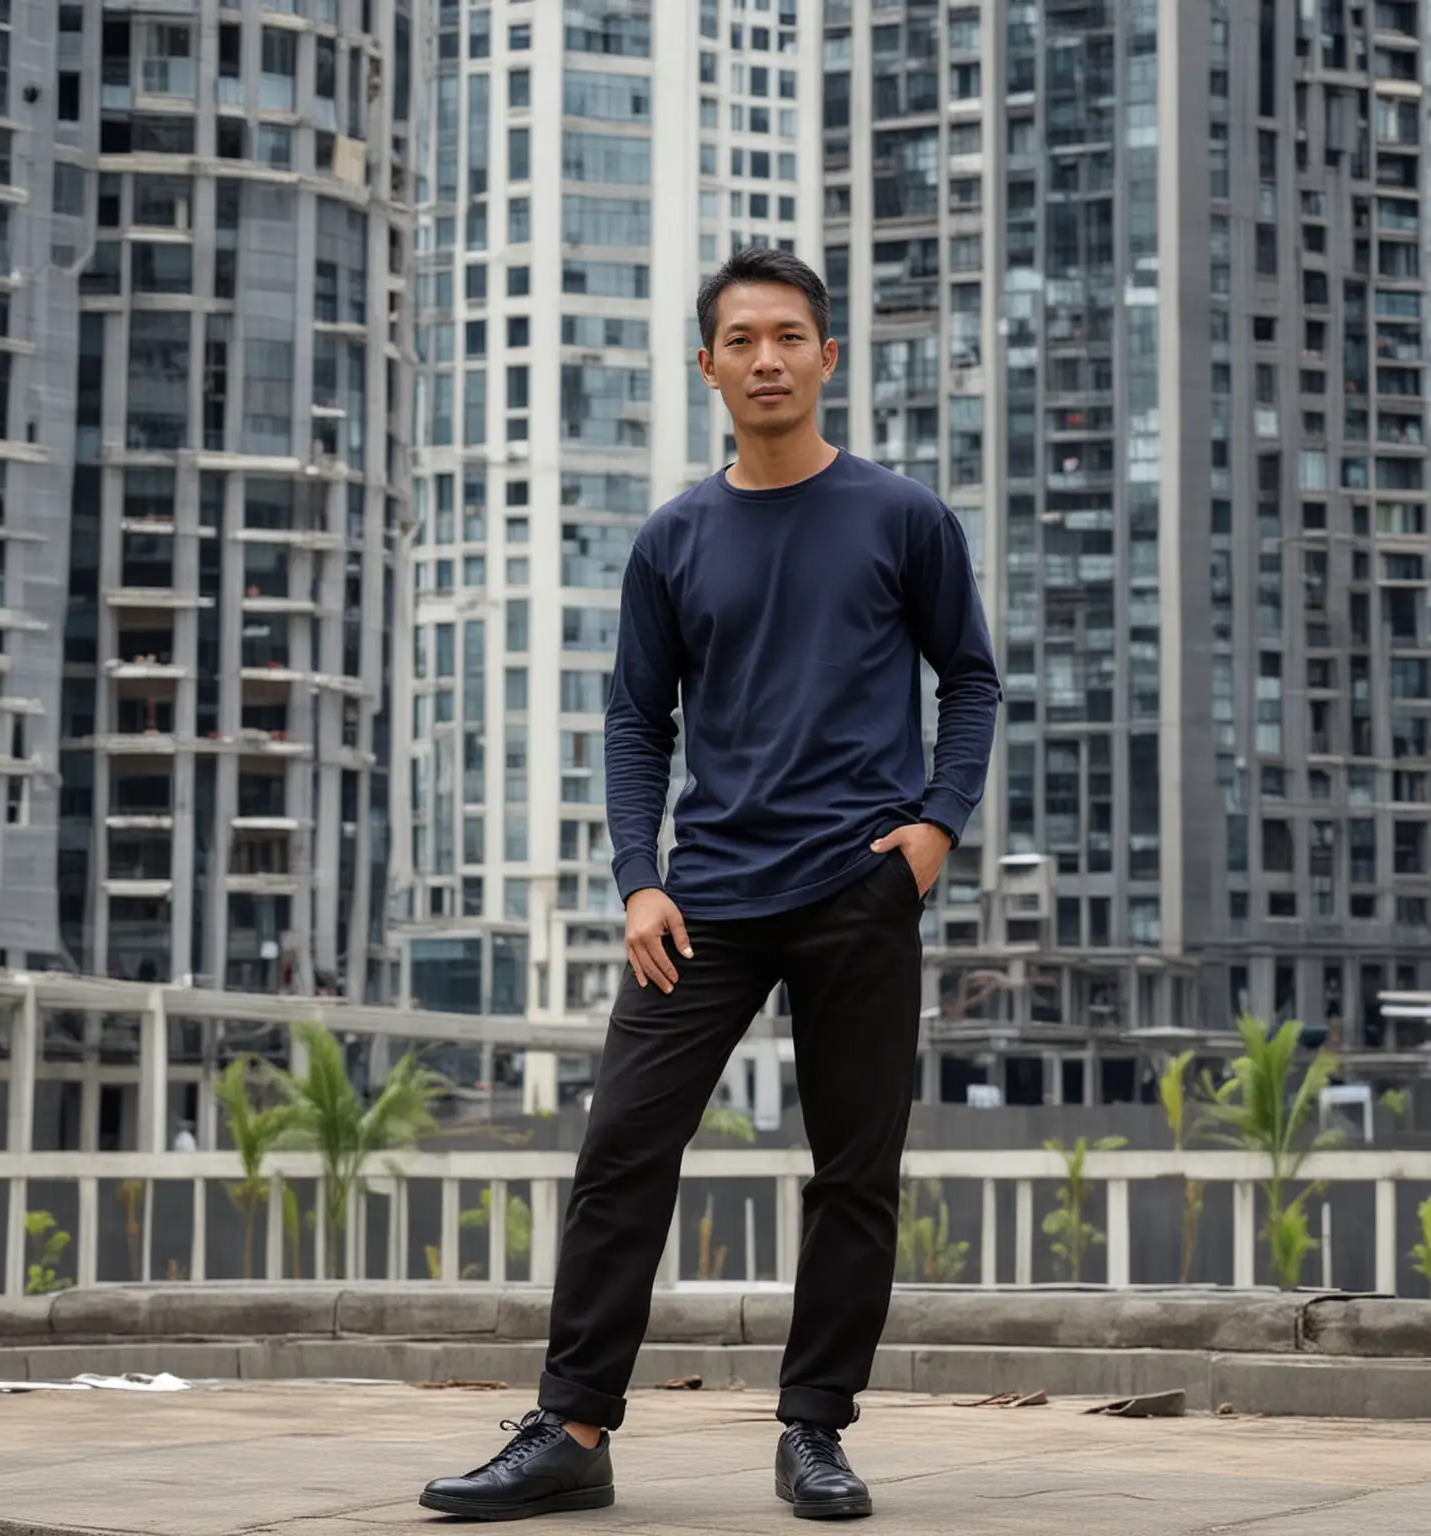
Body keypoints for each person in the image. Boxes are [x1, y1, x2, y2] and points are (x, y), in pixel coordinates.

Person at [420, 248, 1000, 1523]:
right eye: (742, 341)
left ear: (827, 357)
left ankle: (814, 1431)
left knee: (854, 1169)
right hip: (710, 897)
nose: (768, 360)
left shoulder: (901, 517)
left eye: (790, 337)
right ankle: (571, 1430)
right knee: (622, 1149)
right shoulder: (675, 536)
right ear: (710, 368)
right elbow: (637, 724)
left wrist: (936, 831)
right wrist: (639, 881)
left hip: (860, 886)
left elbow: (971, 677)